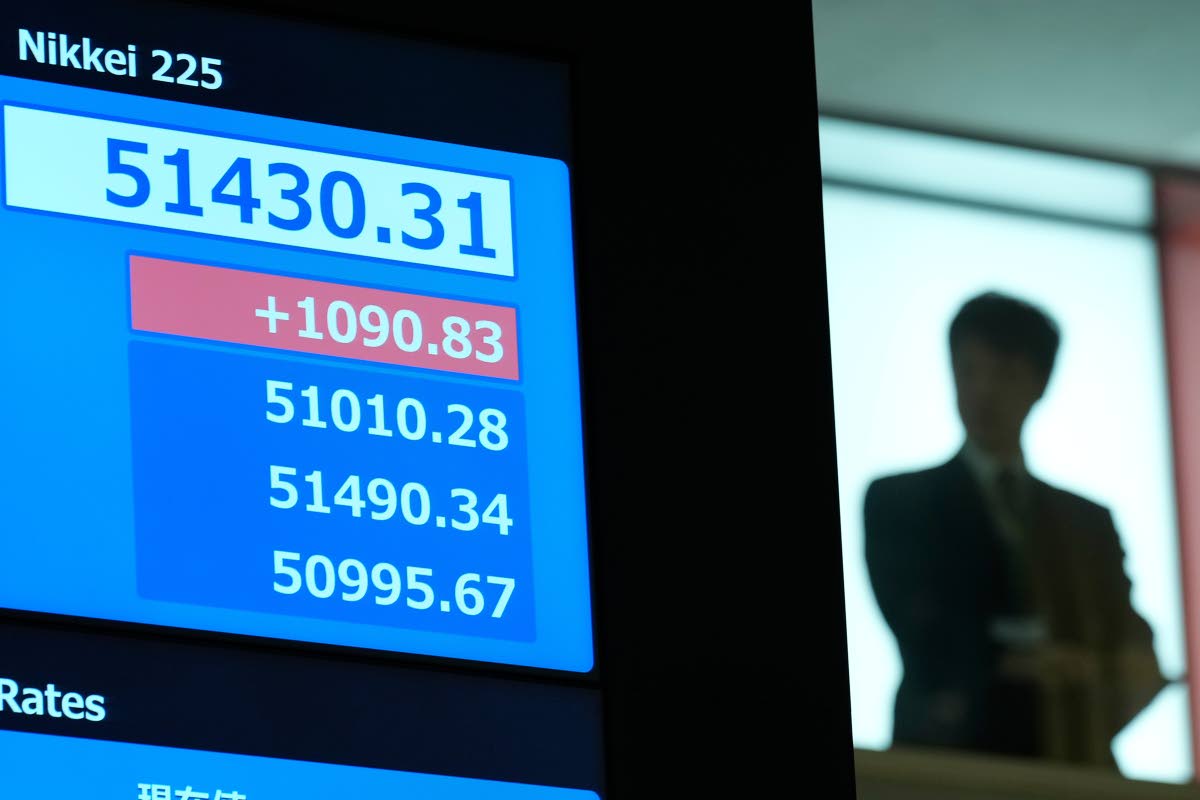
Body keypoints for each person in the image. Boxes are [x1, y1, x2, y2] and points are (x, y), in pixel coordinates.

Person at [864, 290, 1167, 768]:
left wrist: (1129, 661)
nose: (983, 390)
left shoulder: (1087, 521)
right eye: (968, 370)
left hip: (1070, 755)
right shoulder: (899, 499)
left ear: (1039, 384)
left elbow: (1124, 629)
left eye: (1005, 374)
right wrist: (1027, 659)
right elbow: (921, 625)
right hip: (947, 755)